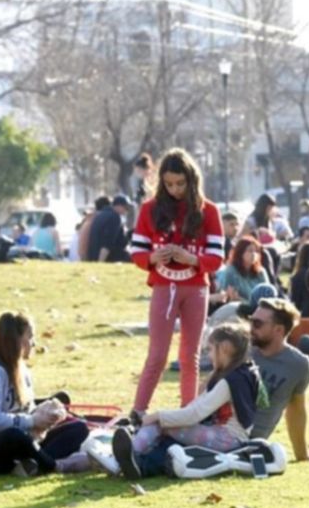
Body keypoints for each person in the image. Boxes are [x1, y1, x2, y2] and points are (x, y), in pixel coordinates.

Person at [128, 149, 225, 421]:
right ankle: (138, 411)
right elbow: (136, 252)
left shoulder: (209, 211)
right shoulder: (149, 209)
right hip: (163, 287)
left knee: (190, 356)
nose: (175, 190)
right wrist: (152, 257)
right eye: (169, 184)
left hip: (196, 288)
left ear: (191, 180)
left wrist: (192, 258)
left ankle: (188, 412)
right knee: (157, 354)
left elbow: (217, 258)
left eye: (180, 184)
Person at [112, 324, 267, 480]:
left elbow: (194, 414)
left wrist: (157, 416)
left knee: (160, 424)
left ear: (225, 348)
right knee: (168, 433)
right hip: (223, 435)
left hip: (227, 438)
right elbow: (196, 405)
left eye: (211, 350)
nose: (210, 356)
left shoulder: (231, 381)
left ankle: (126, 457)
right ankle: (136, 462)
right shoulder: (241, 373)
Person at [0, 312, 90, 476]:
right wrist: (32, 420)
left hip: (24, 442)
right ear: (15, 340)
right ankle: (55, 466)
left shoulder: (24, 371)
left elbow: (27, 412)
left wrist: (46, 416)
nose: (34, 343)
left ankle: (30, 465)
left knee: (78, 428)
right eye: (30, 337)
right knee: (15, 436)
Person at [248, 297, 309, 462]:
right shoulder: (241, 350)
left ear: (278, 330)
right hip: (216, 430)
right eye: (251, 321)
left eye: (257, 324)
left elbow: (296, 410)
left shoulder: (299, 365)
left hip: (250, 443)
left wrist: (302, 456)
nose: (250, 328)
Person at [212, 236, 269, 306]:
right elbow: (228, 296)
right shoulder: (231, 271)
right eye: (250, 251)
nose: (254, 254)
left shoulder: (261, 272)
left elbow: (268, 294)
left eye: (256, 251)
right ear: (240, 252)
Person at [87, 195, 132, 263]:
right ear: (119, 206)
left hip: (93, 255)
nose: (126, 211)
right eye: (125, 207)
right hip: (105, 257)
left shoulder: (101, 214)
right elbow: (107, 242)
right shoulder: (114, 217)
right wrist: (100, 262)